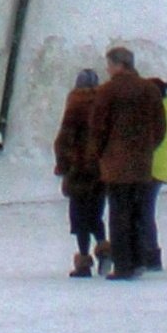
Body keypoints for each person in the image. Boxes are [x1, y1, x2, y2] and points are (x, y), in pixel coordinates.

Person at [89, 47, 167, 279]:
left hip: (116, 164)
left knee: (119, 214)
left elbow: (98, 128)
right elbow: (160, 127)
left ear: (117, 65)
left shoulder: (107, 91)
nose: (107, 69)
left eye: (109, 64)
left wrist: (101, 153)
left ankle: (123, 265)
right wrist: (147, 147)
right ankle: (139, 260)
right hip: (142, 163)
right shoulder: (149, 90)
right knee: (138, 213)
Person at [53, 67, 105, 276]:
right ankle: (104, 247)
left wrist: (63, 166)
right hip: (100, 170)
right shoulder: (104, 103)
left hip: (78, 170)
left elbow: (64, 139)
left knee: (79, 218)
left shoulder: (75, 103)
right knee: (96, 214)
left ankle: (83, 261)